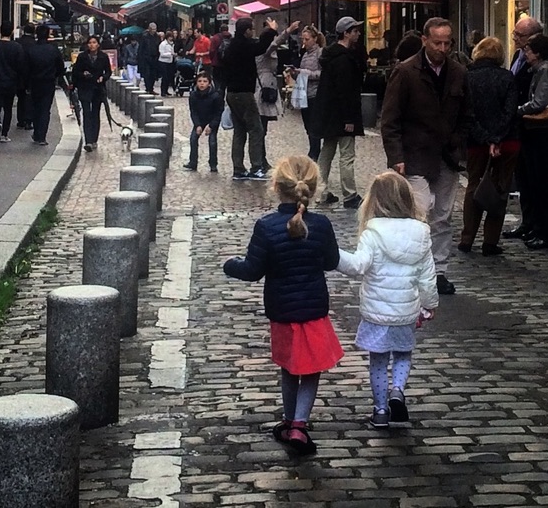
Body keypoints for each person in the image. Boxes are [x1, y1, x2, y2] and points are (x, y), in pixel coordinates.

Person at [223, 155, 343, 455]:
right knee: (311, 369)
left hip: (282, 310)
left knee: (289, 367)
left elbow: (252, 270)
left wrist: (230, 264)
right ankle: (299, 424)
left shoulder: (266, 226)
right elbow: (331, 261)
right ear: (313, 188)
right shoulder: (321, 224)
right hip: (313, 309)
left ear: (276, 186)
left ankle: (290, 421)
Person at [336, 171, 438, 427]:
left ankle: (380, 410)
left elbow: (358, 266)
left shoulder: (373, 232)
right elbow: (427, 276)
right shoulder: (421, 233)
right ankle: (398, 391)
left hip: (377, 312)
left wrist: (332, 255)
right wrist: (430, 304)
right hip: (406, 312)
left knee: (379, 362)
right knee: (403, 354)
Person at [380, 17, 471, 296]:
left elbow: (466, 113)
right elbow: (390, 118)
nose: (442, 48)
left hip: (447, 155)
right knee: (420, 215)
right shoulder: (406, 72)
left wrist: (459, 144)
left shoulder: (458, 72)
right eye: (437, 43)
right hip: (415, 154)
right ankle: (417, 269)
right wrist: (396, 156)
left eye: (447, 43)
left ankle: (438, 271)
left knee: (442, 216)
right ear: (424, 40)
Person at [458, 37, 519, 255]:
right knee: (499, 189)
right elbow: (510, 112)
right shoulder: (507, 77)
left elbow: (467, 114)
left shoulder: (468, 78)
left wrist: (485, 138)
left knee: (474, 185)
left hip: (477, 143)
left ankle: (467, 237)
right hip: (507, 142)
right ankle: (490, 241)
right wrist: (497, 138)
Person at [223, 17, 294, 181]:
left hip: (232, 92)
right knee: (256, 129)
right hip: (244, 92)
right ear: (246, 31)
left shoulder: (231, 46)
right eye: (251, 29)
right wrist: (272, 30)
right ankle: (256, 167)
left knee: (239, 131)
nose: (253, 32)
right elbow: (261, 47)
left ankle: (238, 169)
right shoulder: (244, 46)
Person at [517, 34, 548, 250]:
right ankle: (538, 230)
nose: (525, 54)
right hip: (538, 131)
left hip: (543, 131)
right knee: (536, 183)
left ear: (537, 52)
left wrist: (519, 110)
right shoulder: (538, 69)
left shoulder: (545, 69)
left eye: (528, 50)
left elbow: (540, 102)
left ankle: (546, 234)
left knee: (543, 183)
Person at [315, 16, 365, 209]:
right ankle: (350, 194)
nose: (358, 34)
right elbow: (347, 91)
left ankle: (320, 191)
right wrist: (349, 119)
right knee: (346, 155)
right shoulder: (344, 59)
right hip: (342, 115)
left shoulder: (331, 56)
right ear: (346, 33)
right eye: (355, 31)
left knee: (327, 152)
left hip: (329, 114)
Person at [503, 16, 544, 240]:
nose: (515, 38)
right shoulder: (518, 56)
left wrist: (518, 110)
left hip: (533, 127)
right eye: (515, 34)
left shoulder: (541, 64)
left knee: (534, 178)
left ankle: (537, 224)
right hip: (518, 127)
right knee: (523, 178)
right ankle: (527, 222)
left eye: (520, 35)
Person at [255, 25, 297, 172]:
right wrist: (287, 31)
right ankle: (260, 160)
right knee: (261, 127)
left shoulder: (266, 50)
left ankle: (261, 159)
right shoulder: (264, 51)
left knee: (263, 127)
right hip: (264, 87)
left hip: (269, 85)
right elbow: (274, 44)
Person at [0, 21, 26, 145]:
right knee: (8, 108)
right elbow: (21, 67)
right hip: (11, 82)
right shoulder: (17, 47)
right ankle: (4, 134)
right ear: (12, 31)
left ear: (0, 31)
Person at [25, 23, 67, 146]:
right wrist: (55, 76)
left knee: (35, 107)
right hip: (48, 82)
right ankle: (41, 136)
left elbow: (25, 68)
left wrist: (26, 83)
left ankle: (36, 132)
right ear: (48, 34)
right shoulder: (53, 50)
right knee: (45, 109)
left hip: (34, 82)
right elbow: (60, 67)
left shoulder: (31, 50)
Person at [289, 25, 324, 160]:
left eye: (307, 39)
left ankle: (315, 153)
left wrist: (305, 73)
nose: (304, 42)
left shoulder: (320, 53)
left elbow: (323, 73)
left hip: (315, 94)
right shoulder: (304, 55)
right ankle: (312, 150)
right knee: (308, 126)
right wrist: (295, 73)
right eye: (303, 39)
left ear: (314, 39)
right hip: (304, 94)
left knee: (314, 126)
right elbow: (301, 74)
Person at [71, 34, 112, 152]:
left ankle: (94, 139)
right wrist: (82, 74)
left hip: (98, 88)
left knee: (95, 113)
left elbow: (108, 72)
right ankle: (88, 141)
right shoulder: (82, 57)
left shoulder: (103, 57)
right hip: (85, 88)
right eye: (90, 43)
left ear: (98, 44)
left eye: (94, 42)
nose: (92, 45)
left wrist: (103, 77)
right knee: (86, 113)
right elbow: (76, 72)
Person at [183, 71, 223, 172]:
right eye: (200, 81)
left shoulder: (216, 96)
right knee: (193, 139)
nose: (202, 84)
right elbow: (193, 111)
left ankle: (213, 164)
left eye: (205, 81)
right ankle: (193, 162)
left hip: (212, 119)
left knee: (212, 141)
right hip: (200, 119)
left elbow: (218, 113)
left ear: (209, 83)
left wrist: (211, 125)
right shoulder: (193, 95)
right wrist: (197, 125)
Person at [15, 22, 36, 130]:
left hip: (18, 74)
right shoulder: (34, 44)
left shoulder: (18, 42)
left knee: (21, 97)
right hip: (31, 74)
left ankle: (20, 120)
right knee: (30, 98)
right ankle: (28, 120)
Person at [208, 27, 232, 98]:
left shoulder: (215, 38)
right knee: (224, 82)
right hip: (227, 64)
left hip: (217, 64)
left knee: (217, 81)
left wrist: (212, 59)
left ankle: (218, 96)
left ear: (220, 29)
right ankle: (223, 93)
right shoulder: (231, 37)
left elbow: (211, 51)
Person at [137, 22, 161, 94]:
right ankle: (148, 88)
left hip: (154, 58)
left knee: (153, 74)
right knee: (147, 74)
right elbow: (141, 49)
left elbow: (158, 46)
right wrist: (140, 58)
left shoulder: (157, 37)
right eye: (152, 29)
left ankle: (151, 88)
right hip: (146, 58)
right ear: (149, 29)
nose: (154, 31)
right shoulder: (144, 37)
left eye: (155, 29)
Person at [158, 31, 176, 97]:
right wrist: (170, 54)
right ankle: (163, 91)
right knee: (164, 77)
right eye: (170, 37)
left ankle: (166, 90)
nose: (171, 39)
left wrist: (173, 54)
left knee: (169, 77)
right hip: (163, 62)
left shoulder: (172, 44)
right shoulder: (163, 44)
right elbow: (162, 54)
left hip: (170, 62)